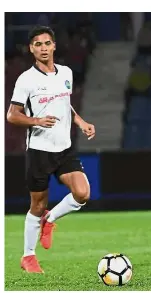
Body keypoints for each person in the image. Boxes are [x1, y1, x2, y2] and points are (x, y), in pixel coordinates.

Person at [6, 25, 95, 273]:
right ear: (31, 49)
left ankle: (50, 219)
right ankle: (28, 256)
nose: (43, 48)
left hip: (64, 149)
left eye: (47, 43)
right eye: (38, 44)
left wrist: (81, 122)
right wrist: (36, 121)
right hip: (39, 151)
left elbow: (65, 104)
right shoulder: (26, 79)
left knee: (83, 193)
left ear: (54, 46)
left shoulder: (66, 72)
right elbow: (12, 115)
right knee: (37, 204)